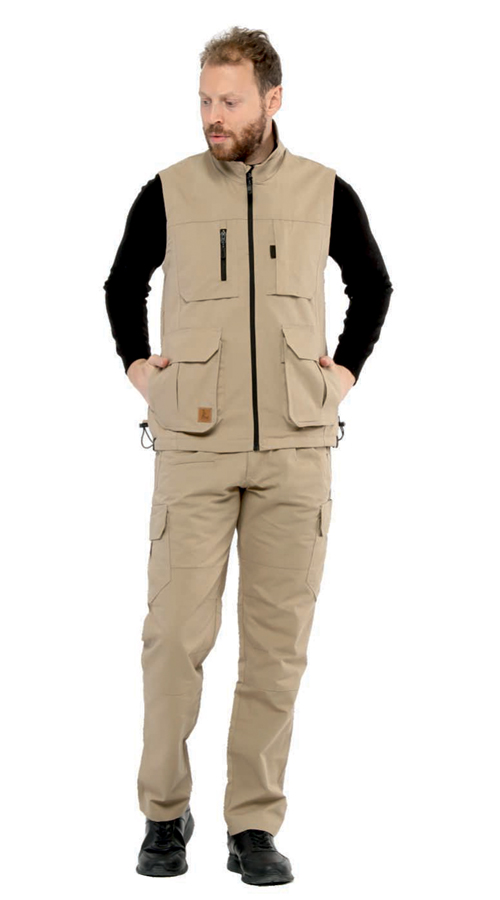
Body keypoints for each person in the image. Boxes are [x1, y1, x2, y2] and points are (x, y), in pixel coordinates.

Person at [103, 26, 393, 886]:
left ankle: (253, 825)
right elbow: (122, 283)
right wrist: (139, 369)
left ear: (273, 100)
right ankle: (164, 813)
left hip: (297, 451)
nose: (212, 115)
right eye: (204, 99)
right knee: (172, 640)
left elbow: (373, 285)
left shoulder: (325, 190)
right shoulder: (168, 190)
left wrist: (343, 375)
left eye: (229, 100)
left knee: (276, 649)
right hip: (193, 444)